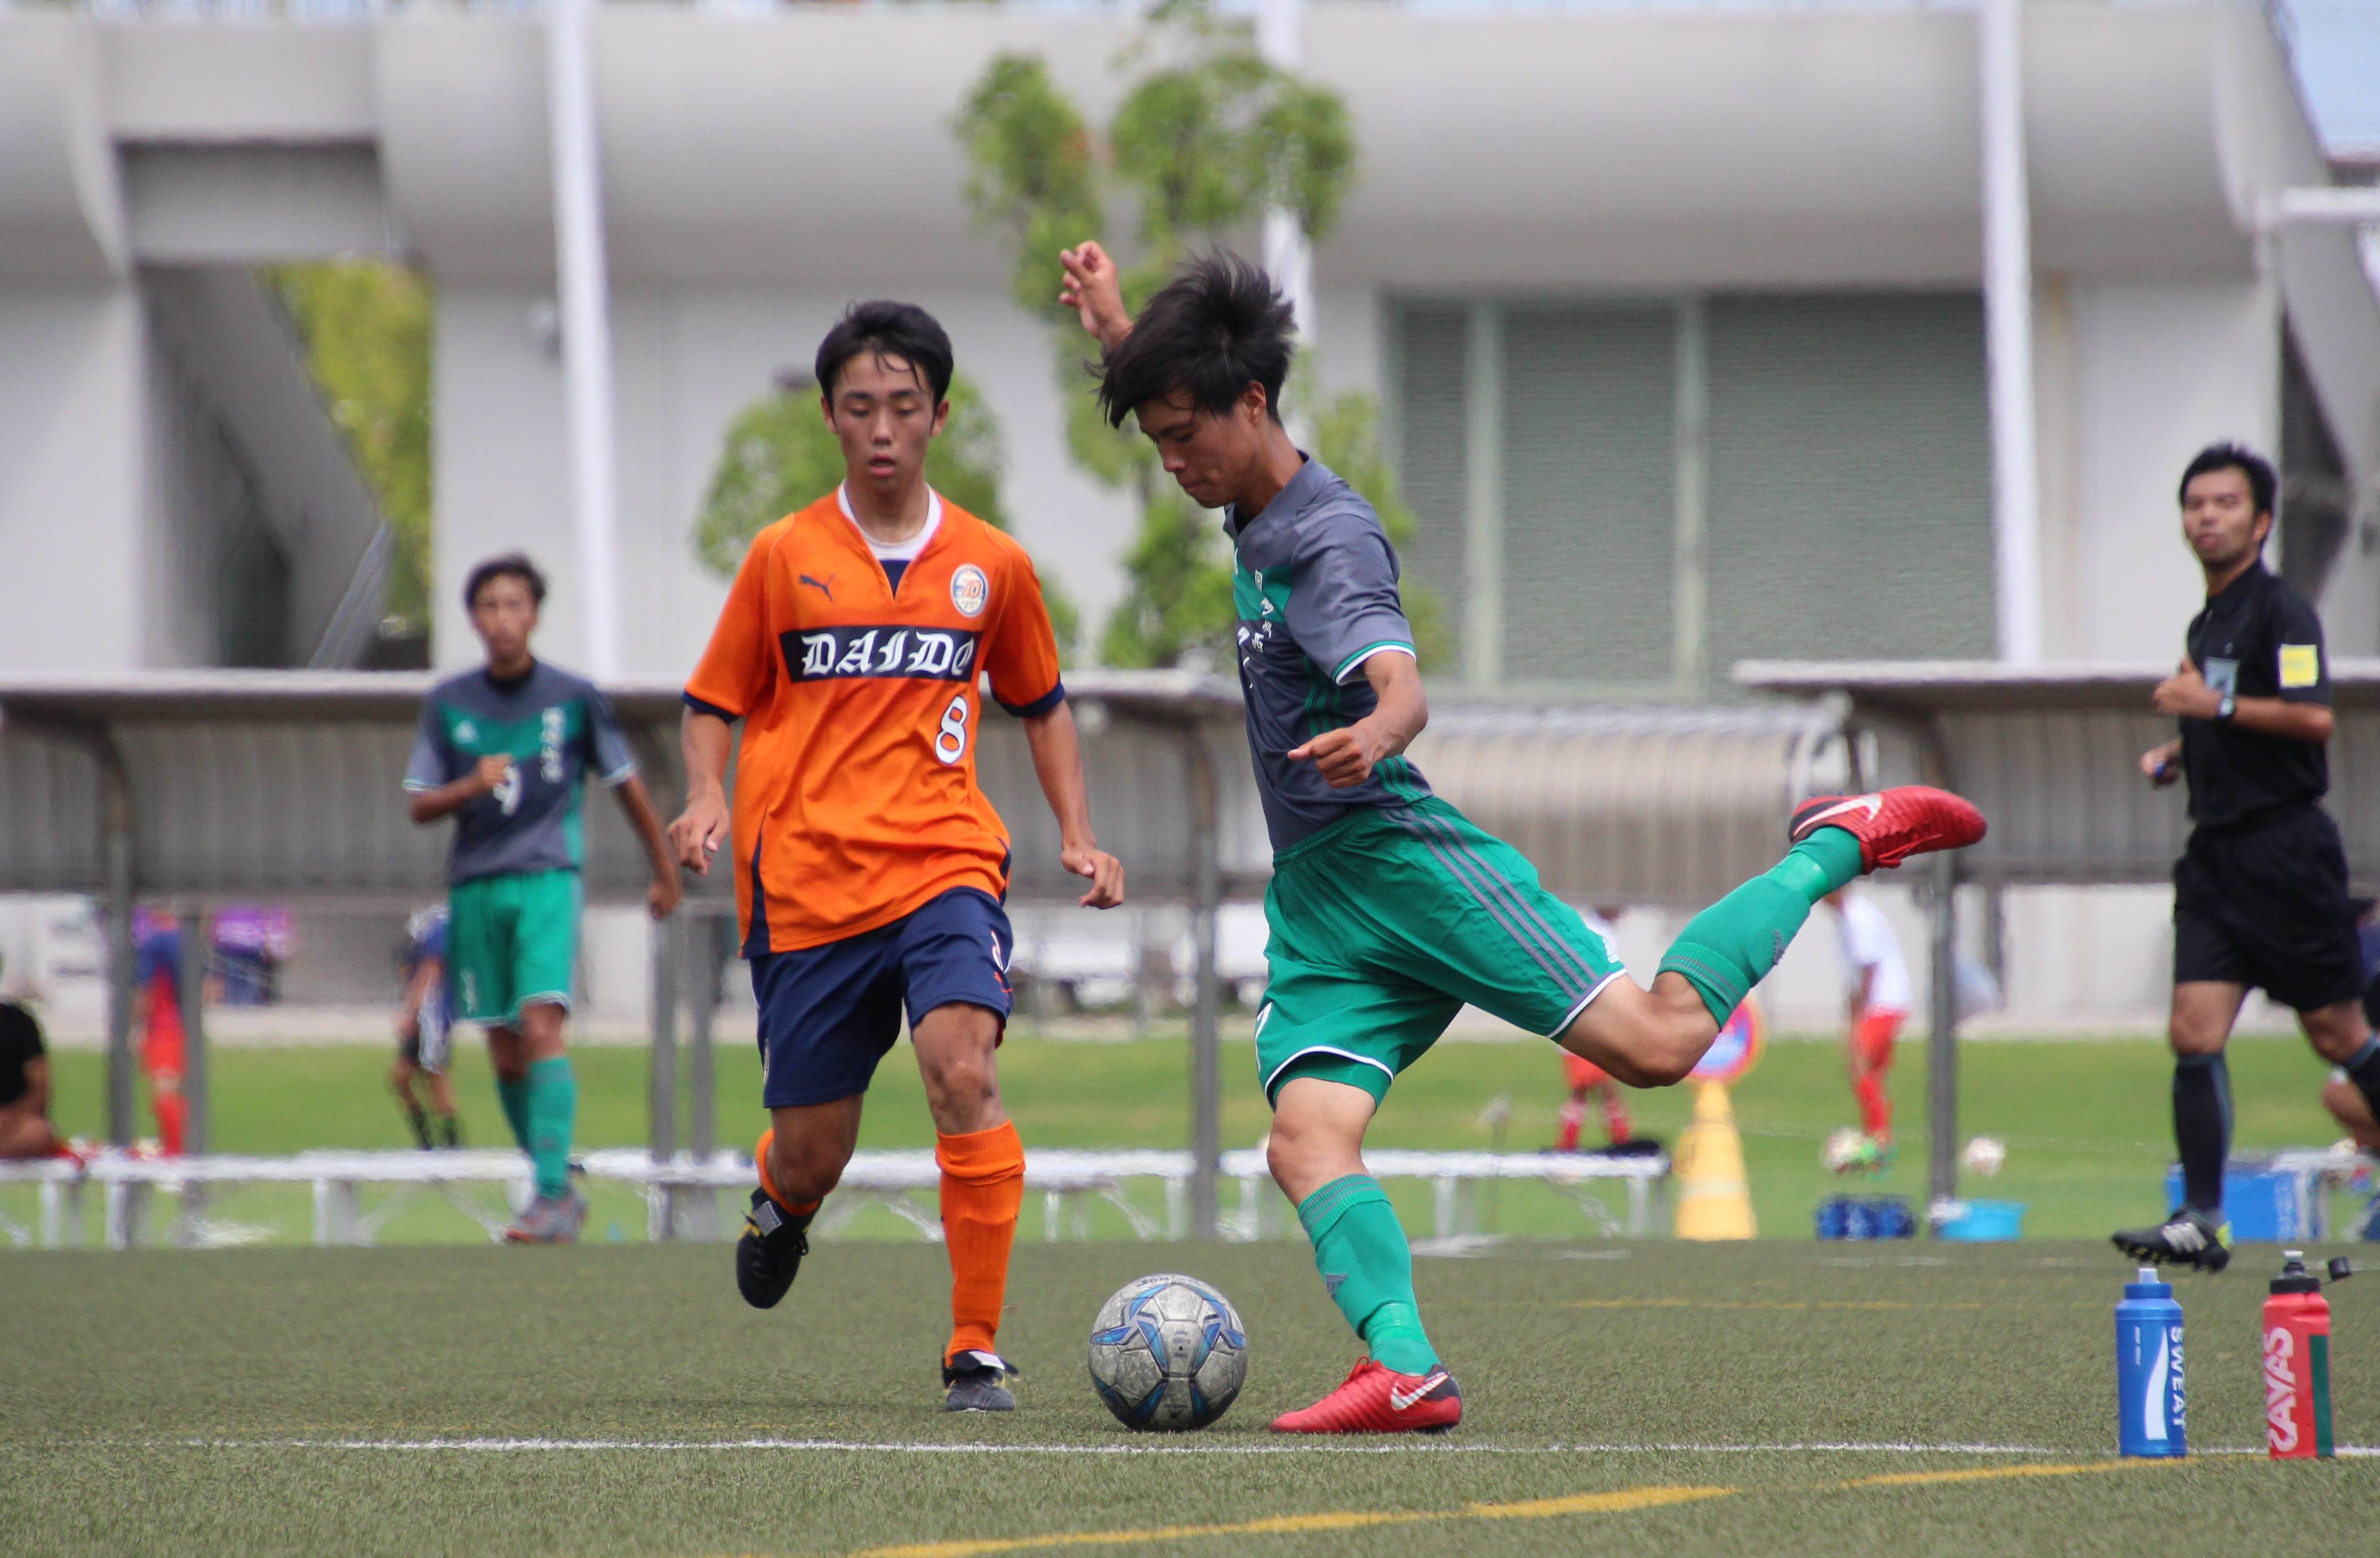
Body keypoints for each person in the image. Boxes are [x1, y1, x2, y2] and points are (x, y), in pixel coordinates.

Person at [1059, 242, 1985, 1433]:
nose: (1174, 463)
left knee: (1658, 1044)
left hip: (1401, 862)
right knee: (1305, 1139)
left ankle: (1831, 844)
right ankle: (1405, 1368)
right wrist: (1118, 331)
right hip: (1322, 897)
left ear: (1251, 403)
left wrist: (1375, 732)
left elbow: (1399, 686)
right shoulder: (1246, 492)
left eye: (1184, 436)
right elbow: (1186, 401)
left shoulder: (1327, 539)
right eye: (1158, 442)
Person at [669, 301, 1125, 1413]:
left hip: (943, 858)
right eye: (861, 407)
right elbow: (712, 700)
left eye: (904, 407)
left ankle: (974, 1349)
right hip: (805, 882)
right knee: (814, 1150)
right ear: (830, 416)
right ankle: (783, 1200)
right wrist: (704, 795)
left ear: (939, 416)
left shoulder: (991, 565)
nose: (883, 428)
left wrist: (1075, 831)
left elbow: (1042, 703)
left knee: (963, 1068)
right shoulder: (782, 556)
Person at [2109, 443, 2380, 1275]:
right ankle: (2201, 1217)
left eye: (2225, 503)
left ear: (2260, 522)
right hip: (2214, 858)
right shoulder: (2207, 622)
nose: (2207, 516)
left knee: (2336, 1032)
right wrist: (2177, 751)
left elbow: (2311, 718)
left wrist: (2211, 703)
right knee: (2191, 1032)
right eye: (2195, 504)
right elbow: (2223, 720)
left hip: (2285, 852)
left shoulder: (2283, 612)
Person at [404, 554, 682, 1243]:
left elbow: (626, 783)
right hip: (476, 884)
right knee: (503, 1047)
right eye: (489, 605)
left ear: (534, 614)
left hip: (547, 877)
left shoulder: (573, 696)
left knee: (540, 1025)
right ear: (474, 618)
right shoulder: (449, 702)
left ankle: (551, 1194)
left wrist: (664, 870)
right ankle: (554, 1191)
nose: (502, 618)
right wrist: (471, 785)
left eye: (514, 604)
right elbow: (419, 804)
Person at [1824, 887, 1911, 1172]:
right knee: (1871, 1075)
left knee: (1861, 1067)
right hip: (1878, 1004)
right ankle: (1878, 1143)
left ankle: (1879, 1144)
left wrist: (1858, 1019)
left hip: (1882, 1003)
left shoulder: (1859, 917)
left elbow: (1868, 969)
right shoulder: (1845, 917)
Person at [1552, 908, 1635, 1153]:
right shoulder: (1597, 933)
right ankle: (1570, 1147)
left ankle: (1618, 1141)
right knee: (1585, 1089)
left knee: (1600, 1087)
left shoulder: (1593, 929)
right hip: (1589, 1023)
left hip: (1586, 1021)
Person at [390, 906, 461, 1151]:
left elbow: (431, 973)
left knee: (435, 1077)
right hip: (426, 1014)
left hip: (433, 1016)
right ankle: (426, 1139)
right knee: (401, 1078)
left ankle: (451, 1142)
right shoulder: (435, 927)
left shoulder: (439, 930)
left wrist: (411, 1013)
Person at [130, 908, 189, 1156]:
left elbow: (146, 990)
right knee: (174, 1090)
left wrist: (135, 1027)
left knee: (163, 1090)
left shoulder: (154, 942)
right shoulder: (190, 940)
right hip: (185, 1025)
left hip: (162, 1025)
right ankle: (178, 1147)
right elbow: (211, 989)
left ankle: (175, 1152)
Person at [0, 991, 66, 1160]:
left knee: (37, 1133)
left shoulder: (18, 1022)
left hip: (16, 1119)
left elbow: (40, 1084)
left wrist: (13, 1117)